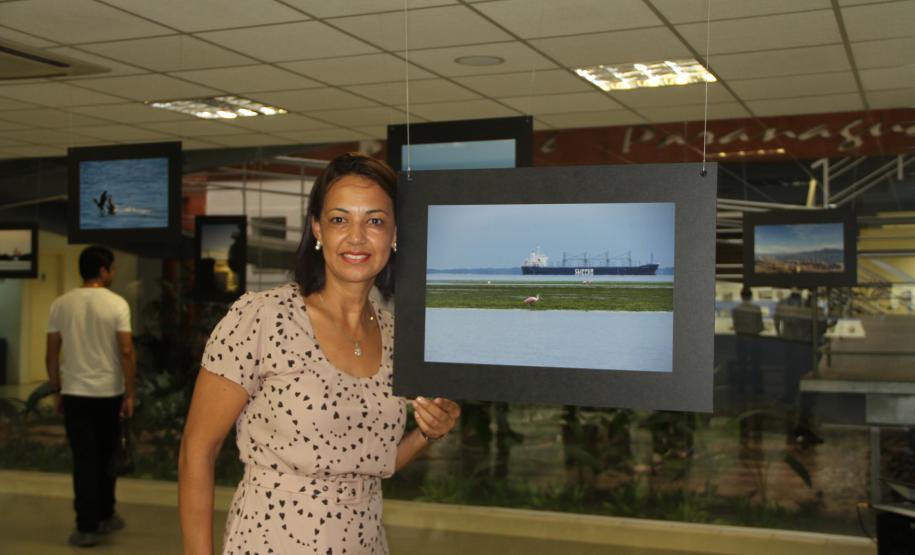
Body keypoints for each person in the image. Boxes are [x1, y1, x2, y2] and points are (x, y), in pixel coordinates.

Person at [179, 153, 461, 555]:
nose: (356, 237)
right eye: (340, 219)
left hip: (364, 542)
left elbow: (367, 463)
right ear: (317, 229)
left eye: (375, 221)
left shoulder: (398, 336)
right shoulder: (263, 318)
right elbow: (196, 450)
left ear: (395, 233)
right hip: (272, 541)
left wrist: (426, 434)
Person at [46, 245, 136, 547]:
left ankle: (86, 526)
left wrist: (56, 389)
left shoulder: (60, 304)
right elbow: (126, 351)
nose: (114, 272)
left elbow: (51, 353)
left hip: (74, 393)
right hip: (109, 392)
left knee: (84, 459)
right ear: (103, 270)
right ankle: (106, 514)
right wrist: (130, 393)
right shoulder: (117, 304)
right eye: (112, 267)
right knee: (108, 455)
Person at [731, 286, 764, 395]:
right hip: (754, 338)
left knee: (742, 364)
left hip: (740, 338)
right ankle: (757, 387)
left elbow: (735, 325)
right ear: (751, 296)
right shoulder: (756, 309)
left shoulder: (736, 309)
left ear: (741, 296)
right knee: (756, 364)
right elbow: (760, 326)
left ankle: (741, 387)